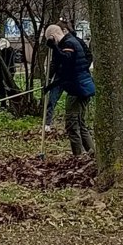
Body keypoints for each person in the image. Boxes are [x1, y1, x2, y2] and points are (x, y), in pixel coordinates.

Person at [44, 24, 96, 156]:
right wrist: (51, 85)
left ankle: (78, 157)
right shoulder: (71, 42)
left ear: (53, 36)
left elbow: (66, 60)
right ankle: (92, 153)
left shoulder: (69, 43)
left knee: (72, 125)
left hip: (77, 89)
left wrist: (54, 47)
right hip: (82, 86)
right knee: (80, 123)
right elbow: (67, 71)